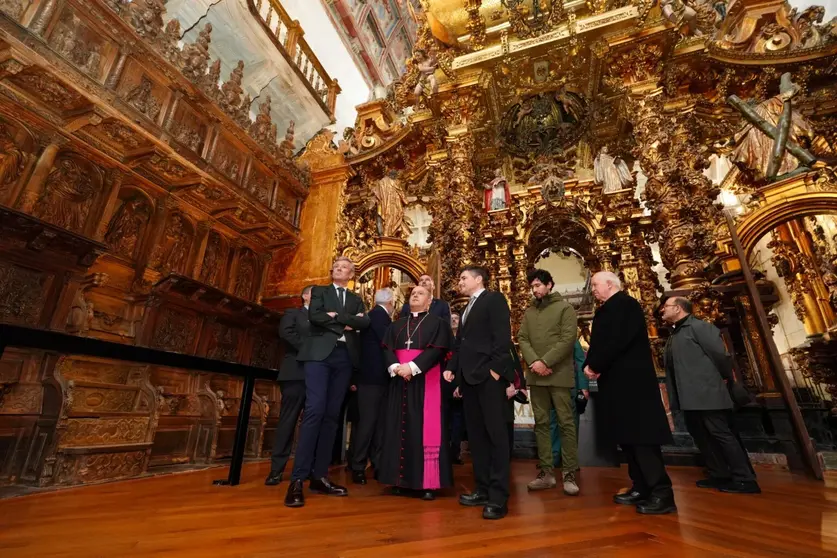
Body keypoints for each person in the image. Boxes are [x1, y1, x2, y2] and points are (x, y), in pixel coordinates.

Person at [583, 271, 676, 515]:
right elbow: (600, 342)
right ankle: (641, 486)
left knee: (642, 439)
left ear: (610, 284)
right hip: (617, 383)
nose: (592, 288)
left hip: (632, 384)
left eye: (595, 284)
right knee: (629, 438)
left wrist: (595, 365)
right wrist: (592, 363)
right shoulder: (609, 308)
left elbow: (616, 340)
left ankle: (661, 493)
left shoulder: (625, 304)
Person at [285, 257, 370, 508]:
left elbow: (364, 322)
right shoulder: (320, 291)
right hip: (319, 357)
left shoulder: (356, 299)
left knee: (332, 415)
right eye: (337, 267)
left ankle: (320, 477)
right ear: (332, 271)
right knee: (315, 410)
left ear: (351, 273)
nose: (340, 269)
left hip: (344, 359)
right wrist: (346, 323)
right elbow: (316, 316)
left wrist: (338, 317)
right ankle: (297, 479)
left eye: (345, 267)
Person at [660, 297, 760, 494]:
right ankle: (719, 474)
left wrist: (723, 378)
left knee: (720, 433)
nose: (662, 310)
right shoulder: (676, 332)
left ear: (678, 308)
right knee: (701, 435)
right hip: (688, 395)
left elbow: (721, 356)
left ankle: (744, 479)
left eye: (666, 307)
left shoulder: (699, 327)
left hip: (706, 392)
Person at [444, 266, 513, 520]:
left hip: (488, 379)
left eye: (463, 277)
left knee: (496, 437)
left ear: (478, 279)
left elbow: (502, 337)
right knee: (477, 439)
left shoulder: (494, 299)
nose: (459, 281)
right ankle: (482, 488)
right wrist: (453, 370)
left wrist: (496, 370)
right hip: (469, 381)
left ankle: (498, 497)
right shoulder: (465, 309)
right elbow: (460, 344)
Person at [378, 286, 454, 500]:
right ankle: (399, 480)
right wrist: (395, 368)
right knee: (397, 428)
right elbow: (386, 349)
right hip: (398, 382)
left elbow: (437, 350)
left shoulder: (438, 324)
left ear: (429, 301)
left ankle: (427, 483)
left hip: (424, 380)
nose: (415, 295)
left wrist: (411, 367)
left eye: (421, 293)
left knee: (422, 429)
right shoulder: (396, 325)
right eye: (413, 293)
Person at [518, 269, 580, 495]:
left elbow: (567, 340)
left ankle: (570, 474)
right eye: (532, 286)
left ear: (550, 284)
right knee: (542, 424)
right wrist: (534, 361)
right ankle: (546, 473)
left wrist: (545, 361)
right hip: (536, 374)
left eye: (538, 285)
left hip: (559, 374)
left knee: (566, 424)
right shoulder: (529, 312)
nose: (535, 290)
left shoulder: (565, 309)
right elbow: (522, 338)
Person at [265, 285, 313, 486]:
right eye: (315, 293)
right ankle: (276, 470)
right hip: (295, 373)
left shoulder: (324, 319)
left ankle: (305, 468)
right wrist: (312, 349)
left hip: (316, 376)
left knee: (311, 424)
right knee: (288, 421)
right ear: (304, 296)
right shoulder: (293, 313)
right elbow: (286, 333)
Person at [349, 288, 394, 485]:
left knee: (377, 425)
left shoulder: (375, 316)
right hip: (372, 379)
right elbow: (388, 343)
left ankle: (375, 463)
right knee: (368, 425)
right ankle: (358, 466)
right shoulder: (378, 317)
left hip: (377, 379)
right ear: (391, 302)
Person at [550, 337, 589, 469]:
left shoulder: (571, 337)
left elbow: (580, 361)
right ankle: (553, 459)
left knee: (571, 423)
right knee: (552, 422)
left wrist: (583, 386)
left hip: (569, 387)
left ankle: (570, 460)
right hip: (550, 386)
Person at [448, 312, 465, 465]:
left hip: (459, 383)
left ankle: (455, 451)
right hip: (444, 383)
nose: (453, 320)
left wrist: (459, 384)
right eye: (451, 318)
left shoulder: (463, 340)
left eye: (456, 318)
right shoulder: (445, 339)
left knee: (457, 419)